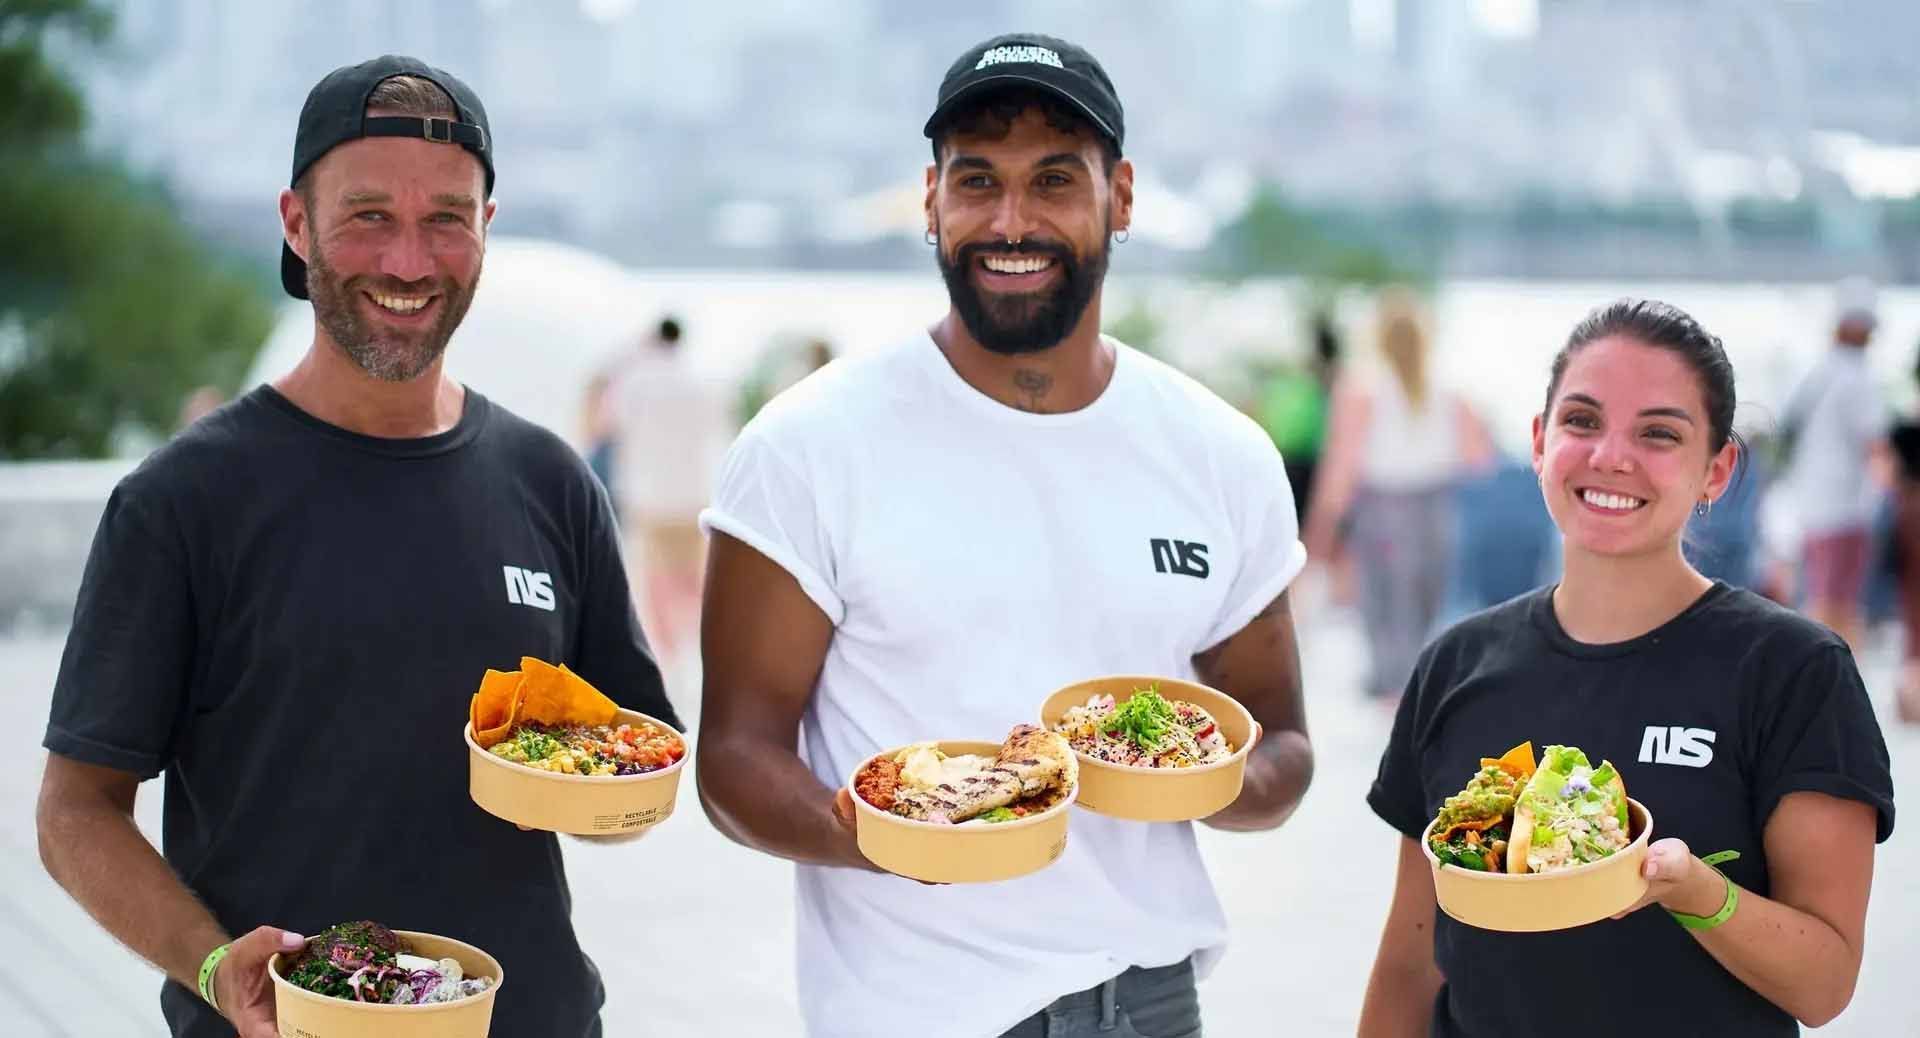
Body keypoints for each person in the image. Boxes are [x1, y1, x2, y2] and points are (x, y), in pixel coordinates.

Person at [34, 56, 676, 1038]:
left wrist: (612, 798)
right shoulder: (181, 502)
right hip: (289, 1023)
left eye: (446, 219)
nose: (410, 262)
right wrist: (210, 967)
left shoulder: (552, 484)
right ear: (296, 223)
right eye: (368, 215)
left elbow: (635, 759)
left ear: (485, 231)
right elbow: (74, 813)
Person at [695, 33, 1313, 1038]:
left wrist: (1208, 780)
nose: (1011, 219)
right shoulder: (807, 446)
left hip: (1152, 1000)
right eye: (977, 180)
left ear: (1120, 197)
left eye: (1054, 181)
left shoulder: (1222, 455)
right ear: (930, 200)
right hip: (919, 1012)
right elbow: (732, 757)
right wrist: (898, 836)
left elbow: (1282, 746)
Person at [1358, 299, 1895, 1037]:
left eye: (1659, 434)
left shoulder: (1793, 670)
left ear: (1718, 470)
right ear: (1541, 441)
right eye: (1582, 421)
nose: (1612, 455)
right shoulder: (1457, 663)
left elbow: (1825, 983)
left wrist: (1697, 891)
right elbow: (1409, 965)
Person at [1303, 287, 1493, 699]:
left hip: (1382, 505)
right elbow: (1479, 459)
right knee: (1424, 598)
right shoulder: (1450, 389)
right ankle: (1413, 682)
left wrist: (1320, 529)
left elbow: (1341, 466)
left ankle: (1392, 687)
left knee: (1383, 599)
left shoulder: (1362, 387)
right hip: (1436, 503)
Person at [1778, 277, 1889, 649]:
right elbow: (1877, 450)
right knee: (1839, 603)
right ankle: (1836, 681)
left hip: (1812, 505)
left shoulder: (1817, 372)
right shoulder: (1859, 378)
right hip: (1845, 510)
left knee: (1819, 597)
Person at [608, 314, 723, 668]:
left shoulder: (636, 381)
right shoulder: (699, 380)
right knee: (692, 580)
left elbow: (613, 426)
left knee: (655, 586)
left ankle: (667, 659)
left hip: (649, 499)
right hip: (692, 495)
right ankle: (694, 655)